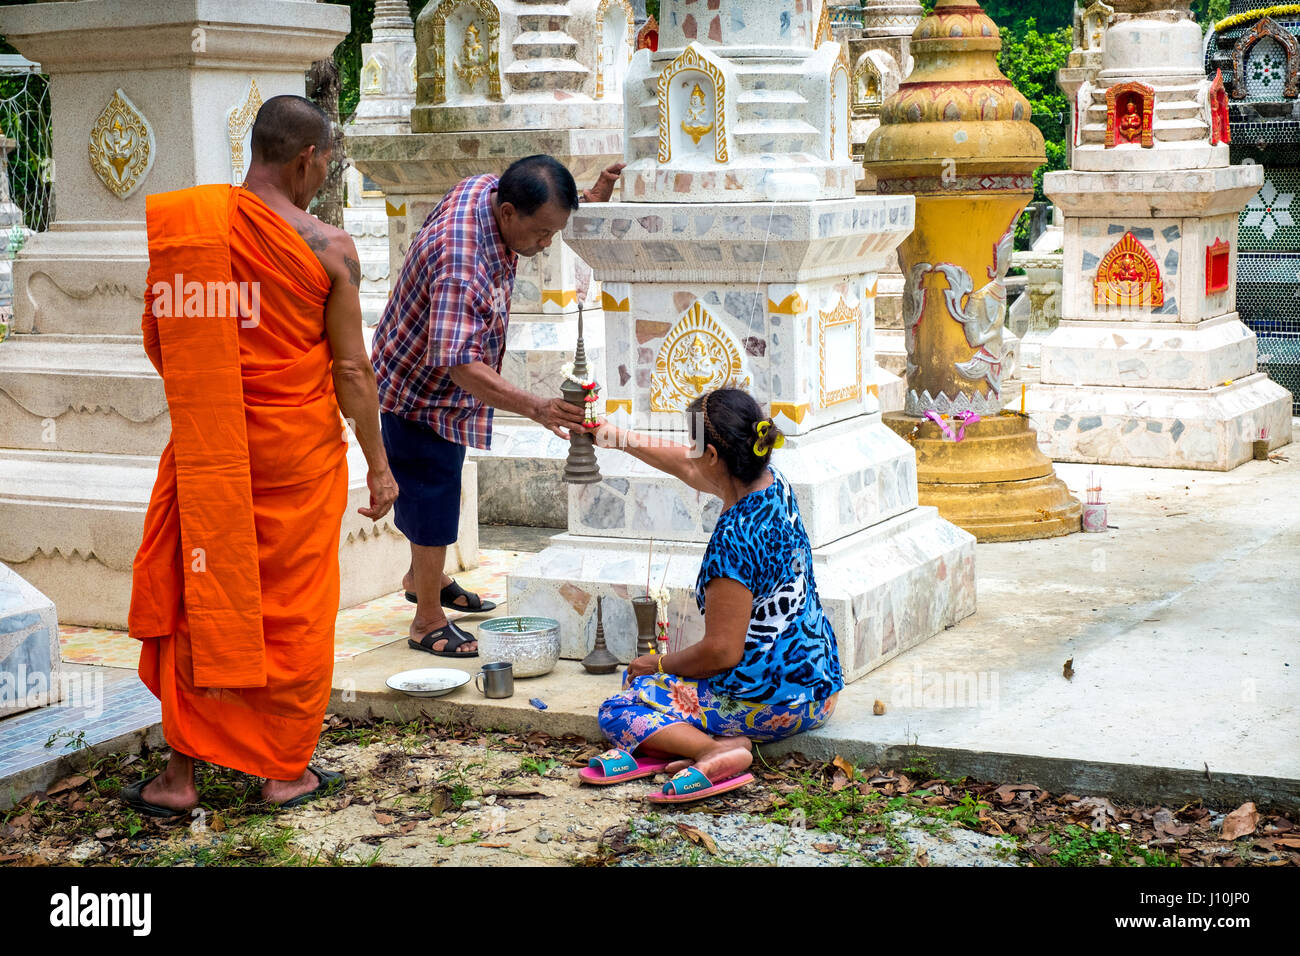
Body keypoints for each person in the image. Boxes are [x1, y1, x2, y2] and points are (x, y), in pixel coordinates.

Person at [124, 95, 399, 815]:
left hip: (211, 453)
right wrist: (379, 463)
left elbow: (165, 343)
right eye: (326, 162)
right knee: (293, 613)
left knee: (200, 596)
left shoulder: (194, 230)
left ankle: (179, 781)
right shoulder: (329, 248)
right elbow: (351, 373)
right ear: (307, 159)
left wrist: (221, 402)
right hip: (295, 457)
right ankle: (282, 771)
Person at [370, 153, 622, 658]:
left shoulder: (488, 190)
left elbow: (536, 207)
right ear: (507, 213)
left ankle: (427, 578)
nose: (546, 243)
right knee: (430, 498)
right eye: (542, 232)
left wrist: (587, 202)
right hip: (419, 389)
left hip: (434, 375)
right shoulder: (462, 264)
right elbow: (458, 363)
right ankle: (426, 621)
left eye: (554, 230)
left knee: (437, 492)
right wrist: (537, 407)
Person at [580, 388, 844, 803]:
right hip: (819, 692)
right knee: (671, 683)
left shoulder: (734, 540)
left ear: (715, 457)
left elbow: (722, 652)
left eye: (693, 443)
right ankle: (708, 740)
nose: (687, 451)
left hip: (774, 705)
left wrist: (658, 662)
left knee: (622, 706)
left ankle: (717, 749)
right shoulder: (774, 486)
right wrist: (610, 434)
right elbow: (685, 465)